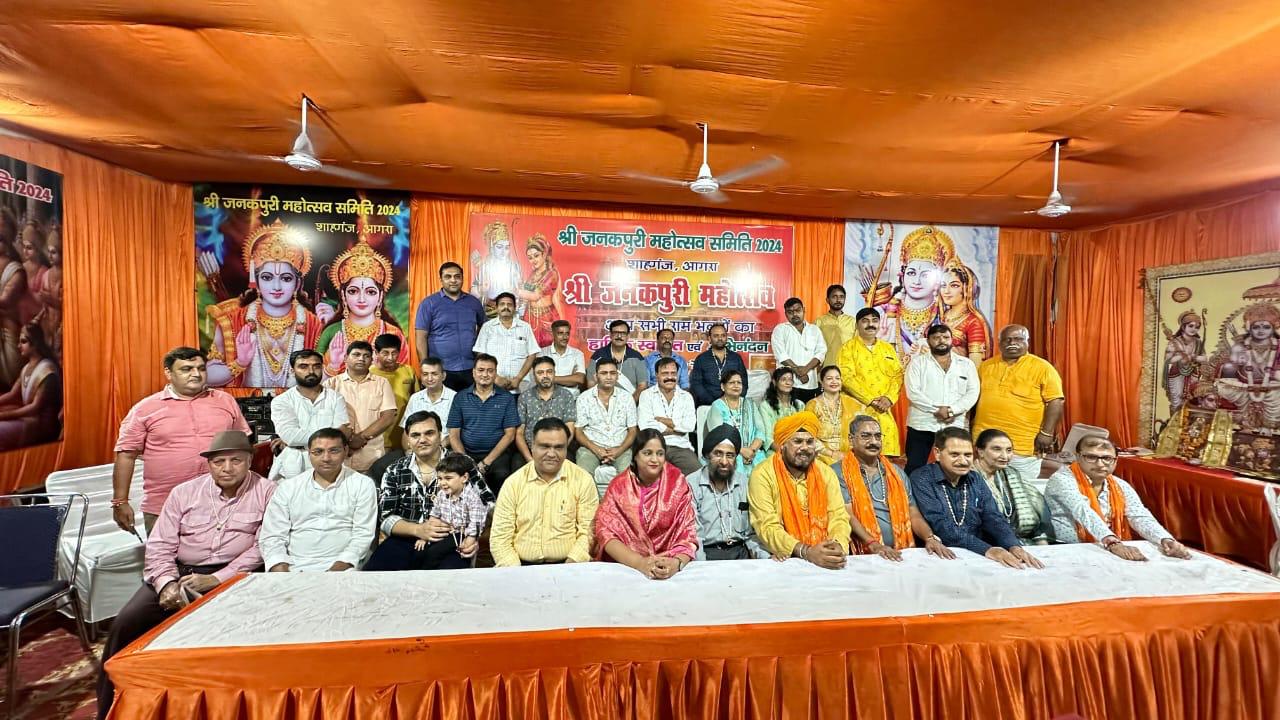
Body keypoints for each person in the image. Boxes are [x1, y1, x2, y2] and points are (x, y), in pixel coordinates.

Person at [96, 431, 273, 720]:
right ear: (209, 464)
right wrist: (166, 584)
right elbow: (160, 545)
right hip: (179, 573)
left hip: (236, 575)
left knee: (239, 635)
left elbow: (263, 546)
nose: (227, 468)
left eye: (236, 461)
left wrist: (218, 579)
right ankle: (109, 709)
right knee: (126, 623)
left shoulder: (268, 491)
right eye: (218, 462)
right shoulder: (184, 492)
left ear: (250, 461)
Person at [112, 347, 250, 535]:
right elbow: (126, 456)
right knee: (164, 554)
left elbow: (241, 446)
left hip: (223, 503)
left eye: (201, 369)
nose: (196, 374)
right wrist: (120, 501)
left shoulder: (225, 401)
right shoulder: (144, 409)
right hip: (164, 506)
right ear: (168, 373)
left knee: (228, 553)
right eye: (187, 369)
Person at [204, 219, 324, 388]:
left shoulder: (313, 324)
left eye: (286, 278)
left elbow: (325, 377)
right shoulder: (232, 321)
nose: (276, 287)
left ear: (297, 284)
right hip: (246, 403)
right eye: (267, 278)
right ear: (257, 281)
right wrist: (240, 362)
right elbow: (207, 376)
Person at [367, 411, 492, 571]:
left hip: (452, 540)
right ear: (408, 439)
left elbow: (486, 505)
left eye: (429, 433)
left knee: (450, 581)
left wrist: (471, 537)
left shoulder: (463, 464)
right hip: (404, 538)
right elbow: (385, 518)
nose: (422, 440)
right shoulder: (395, 470)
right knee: (375, 574)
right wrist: (418, 530)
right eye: (415, 435)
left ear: (440, 435)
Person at [911, 427, 1045, 569]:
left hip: (977, 556)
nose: (963, 461)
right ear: (937, 453)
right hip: (940, 557)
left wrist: (1013, 546)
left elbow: (993, 517)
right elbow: (942, 526)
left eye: (968, 455)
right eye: (955, 455)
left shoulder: (975, 479)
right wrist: (988, 550)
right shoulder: (923, 478)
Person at [1044, 435, 1192, 561]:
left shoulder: (1120, 485)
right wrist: (1112, 543)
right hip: (1067, 549)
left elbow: (1139, 516)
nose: (1100, 464)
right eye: (1091, 457)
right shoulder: (1062, 479)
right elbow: (1083, 511)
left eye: (1107, 458)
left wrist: (1165, 539)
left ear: (1115, 461)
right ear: (1078, 457)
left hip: (1104, 547)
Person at [259, 428, 378, 572]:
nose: (326, 458)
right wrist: (282, 571)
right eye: (318, 452)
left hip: (344, 568)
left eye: (334, 451)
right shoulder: (289, 487)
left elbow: (363, 535)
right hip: (293, 566)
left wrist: (334, 572)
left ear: (346, 451)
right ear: (309, 453)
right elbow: (272, 536)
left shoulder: (362, 484)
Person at [838, 416, 955, 560]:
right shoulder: (839, 472)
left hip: (903, 552)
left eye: (877, 436)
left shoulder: (896, 472)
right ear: (851, 439)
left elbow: (913, 512)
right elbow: (848, 515)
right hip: (864, 555)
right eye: (866, 436)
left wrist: (929, 538)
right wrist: (873, 544)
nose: (873, 441)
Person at [490, 417, 600, 567]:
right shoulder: (513, 483)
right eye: (544, 446)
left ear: (566, 448)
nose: (551, 454)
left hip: (570, 565)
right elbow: (500, 538)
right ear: (532, 446)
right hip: (520, 567)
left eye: (559, 447)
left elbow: (589, 533)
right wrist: (516, 572)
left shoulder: (583, 480)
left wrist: (570, 567)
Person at [748, 411, 851, 568]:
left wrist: (837, 545)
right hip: (782, 557)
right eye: (797, 441)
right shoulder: (763, 474)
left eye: (810, 442)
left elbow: (838, 516)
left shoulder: (825, 472)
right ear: (782, 445)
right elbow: (767, 526)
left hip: (824, 552)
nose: (805, 448)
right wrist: (806, 551)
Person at [593, 429, 699, 579]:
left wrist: (676, 564)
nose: (655, 459)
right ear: (635, 455)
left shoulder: (677, 482)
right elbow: (605, 532)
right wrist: (639, 563)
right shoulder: (619, 486)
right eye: (647, 453)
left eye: (660, 454)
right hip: (628, 567)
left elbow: (688, 533)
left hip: (670, 564)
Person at [972, 324, 1065, 487]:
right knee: (984, 488)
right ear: (999, 343)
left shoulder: (1042, 368)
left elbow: (1056, 401)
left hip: (1022, 445)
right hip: (985, 443)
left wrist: (1047, 433)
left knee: (1021, 491)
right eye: (1007, 340)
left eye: (1018, 339)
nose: (1012, 343)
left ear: (1027, 342)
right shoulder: (986, 366)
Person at [316, 240, 407, 377]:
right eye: (353, 291)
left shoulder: (393, 333)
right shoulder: (332, 331)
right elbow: (314, 377)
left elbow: (404, 377)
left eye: (370, 292)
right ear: (343, 295)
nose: (362, 299)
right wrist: (333, 365)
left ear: (380, 296)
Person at [903, 323, 980, 474]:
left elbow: (973, 392)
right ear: (928, 341)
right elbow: (913, 392)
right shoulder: (917, 363)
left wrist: (952, 410)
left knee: (953, 466)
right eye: (936, 337)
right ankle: (911, 491)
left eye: (945, 337)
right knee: (915, 466)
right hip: (922, 423)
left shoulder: (966, 364)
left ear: (952, 340)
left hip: (954, 423)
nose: (941, 340)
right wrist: (937, 409)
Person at [686, 425, 769, 560]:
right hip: (707, 555)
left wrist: (766, 559)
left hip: (741, 553)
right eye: (718, 454)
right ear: (707, 455)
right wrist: (701, 566)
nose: (724, 462)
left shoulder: (744, 483)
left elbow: (752, 535)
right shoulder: (691, 484)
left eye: (730, 456)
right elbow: (694, 537)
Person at [268, 350, 351, 481]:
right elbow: (290, 436)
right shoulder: (281, 401)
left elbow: (341, 435)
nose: (311, 371)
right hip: (293, 469)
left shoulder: (336, 398)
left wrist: (295, 441)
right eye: (303, 366)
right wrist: (332, 434)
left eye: (316, 366)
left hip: (329, 465)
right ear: (292, 371)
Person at [446, 353, 521, 494]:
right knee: (456, 476)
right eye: (481, 370)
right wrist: (466, 461)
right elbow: (454, 434)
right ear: (473, 373)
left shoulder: (507, 398)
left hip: (497, 454)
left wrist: (486, 462)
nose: (485, 374)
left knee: (501, 475)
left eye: (490, 371)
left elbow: (510, 435)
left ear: (495, 374)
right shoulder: (460, 397)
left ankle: (497, 508)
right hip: (466, 452)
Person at [838, 308, 904, 456]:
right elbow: (846, 378)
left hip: (884, 410)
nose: (871, 324)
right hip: (857, 410)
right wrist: (871, 400)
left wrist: (888, 398)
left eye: (874, 321)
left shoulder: (887, 348)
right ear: (857, 325)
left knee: (886, 456)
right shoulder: (847, 348)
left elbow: (898, 376)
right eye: (865, 321)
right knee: (858, 455)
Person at [324, 340, 397, 473]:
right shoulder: (331, 384)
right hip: (338, 457)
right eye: (356, 354)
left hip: (372, 458)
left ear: (371, 360)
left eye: (366, 356)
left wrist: (362, 437)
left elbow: (388, 416)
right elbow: (323, 417)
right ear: (345, 358)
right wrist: (346, 440)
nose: (361, 359)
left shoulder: (381, 383)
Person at [971, 429, 1052, 544]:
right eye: (997, 449)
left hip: (1020, 540)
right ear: (980, 451)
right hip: (985, 543)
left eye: (1009, 450)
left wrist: (1041, 542)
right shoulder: (969, 479)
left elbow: (1039, 510)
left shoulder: (1011, 474)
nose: (1005, 456)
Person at [415, 262, 487, 391]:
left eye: (457, 276)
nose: (453, 280)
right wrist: (426, 368)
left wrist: (479, 352)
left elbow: (485, 328)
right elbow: (421, 337)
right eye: (448, 277)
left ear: (462, 278)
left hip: (471, 368)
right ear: (441, 279)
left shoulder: (473, 302)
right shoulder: (429, 303)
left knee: (469, 403)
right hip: (440, 370)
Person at [575, 357, 638, 496]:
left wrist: (619, 450)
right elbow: (578, 432)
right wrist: (596, 449)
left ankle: (620, 508)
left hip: (621, 447)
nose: (609, 377)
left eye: (612, 373)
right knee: (583, 477)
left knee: (628, 479)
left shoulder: (627, 398)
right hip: (591, 448)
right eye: (604, 373)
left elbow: (633, 430)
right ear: (595, 376)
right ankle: (594, 507)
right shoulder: (584, 398)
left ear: (617, 376)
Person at [0, 322, 61, 449]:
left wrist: (4, 416)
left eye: (23, 342)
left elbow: (35, 408)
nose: (18, 346)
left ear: (35, 344)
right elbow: (12, 394)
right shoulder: (26, 368)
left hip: (40, 425)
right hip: (29, 418)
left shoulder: (46, 369)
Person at [637, 357, 700, 475]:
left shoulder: (686, 397)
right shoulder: (646, 395)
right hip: (653, 445)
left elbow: (689, 426)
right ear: (656, 375)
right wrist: (677, 429)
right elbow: (645, 426)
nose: (670, 377)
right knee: (646, 474)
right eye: (665, 373)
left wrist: (664, 421)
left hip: (680, 447)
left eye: (673, 373)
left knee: (697, 474)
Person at [516, 356, 577, 465]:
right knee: (517, 466)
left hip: (559, 449)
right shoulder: (525, 397)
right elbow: (519, 433)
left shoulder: (566, 396)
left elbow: (570, 429)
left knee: (569, 465)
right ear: (534, 376)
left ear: (554, 373)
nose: (545, 376)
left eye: (549, 372)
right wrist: (530, 459)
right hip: (531, 450)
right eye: (540, 373)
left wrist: (557, 451)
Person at [473, 292, 539, 392]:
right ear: (496, 307)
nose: (506, 307)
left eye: (509, 304)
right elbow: (481, 354)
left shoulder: (525, 327)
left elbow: (532, 355)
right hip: (493, 385)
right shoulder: (487, 327)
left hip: (520, 385)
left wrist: (518, 378)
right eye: (502, 304)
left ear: (515, 308)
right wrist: (496, 378)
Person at [706, 369, 766, 476]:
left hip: (754, 454)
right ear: (723, 386)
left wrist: (751, 451)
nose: (736, 385)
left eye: (739, 383)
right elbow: (717, 437)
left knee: (764, 476)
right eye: (731, 383)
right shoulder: (717, 406)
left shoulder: (750, 404)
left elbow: (761, 431)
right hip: (727, 454)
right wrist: (742, 451)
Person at [771, 297, 826, 403]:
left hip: (810, 383)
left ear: (804, 310)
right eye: (790, 312)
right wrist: (798, 372)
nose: (795, 314)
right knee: (787, 413)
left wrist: (805, 369)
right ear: (785, 314)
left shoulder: (814, 330)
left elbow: (821, 353)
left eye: (797, 310)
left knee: (808, 412)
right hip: (787, 384)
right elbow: (781, 355)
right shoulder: (780, 329)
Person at [514, 233, 565, 347]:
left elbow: (536, 295)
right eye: (530, 257)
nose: (533, 260)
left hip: (546, 318)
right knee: (529, 349)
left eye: (536, 256)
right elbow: (526, 291)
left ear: (544, 254)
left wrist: (515, 290)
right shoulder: (533, 274)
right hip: (530, 317)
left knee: (546, 351)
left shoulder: (551, 274)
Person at [369, 333, 418, 450]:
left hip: (405, 436)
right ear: (376, 352)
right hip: (379, 439)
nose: (390, 358)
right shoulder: (369, 374)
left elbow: (417, 399)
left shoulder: (408, 371)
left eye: (394, 353)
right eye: (385, 353)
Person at [806, 366, 858, 468]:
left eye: (837, 378)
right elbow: (808, 434)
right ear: (822, 382)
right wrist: (831, 454)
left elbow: (861, 430)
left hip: (849, 455)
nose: (834, 381)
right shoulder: (812, 405)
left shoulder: (852, 404)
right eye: (829, 378)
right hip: (821, 456)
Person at [470, 219, 524, 314]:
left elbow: (521, 289)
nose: (504, 252)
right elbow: (473, 291)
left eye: (507, 247)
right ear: (491, 247)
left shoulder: (514, 266)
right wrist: (481, 289)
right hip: (490, 310)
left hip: (510, 310)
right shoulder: (485, 266)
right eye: (499, 247)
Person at [939, 262, 992, 359]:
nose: (946, 291)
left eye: (954, 286)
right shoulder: (940, 316)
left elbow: (975, 364)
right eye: (943, 285)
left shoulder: (973, 322)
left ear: (967, 288)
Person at [586, 319, 649, 399]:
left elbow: (642, 386)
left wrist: (630, 403)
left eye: (623, 333)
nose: (619, 336)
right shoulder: (598, 356)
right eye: (616, 333)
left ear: (628, 336)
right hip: (602, 401)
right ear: (610, 335)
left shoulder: (637, 357)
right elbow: (591, 384)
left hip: (630, 402)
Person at [690, 323, 747, 407]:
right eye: (716, 336)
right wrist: (714, 403)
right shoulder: (701, 359)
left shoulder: (736, 358)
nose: (720, 338)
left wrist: (733, 400)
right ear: (710, 338)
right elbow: (697, 385)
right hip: (708, 405)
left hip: (732, 405)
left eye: (723, 335)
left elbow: (744, 383)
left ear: (726, 337)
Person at [1162, 310, 1206, 411]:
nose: (1194, 329)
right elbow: (1168, 360)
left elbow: (1204, 358)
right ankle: (1175, 420)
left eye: (1197, 327)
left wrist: (1192, 356)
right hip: (1177, 373)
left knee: (1191, 399)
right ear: (1183, 326)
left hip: (1193, 373)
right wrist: (1181, 356)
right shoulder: (1174, 342)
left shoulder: (1198, 342)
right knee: (1177, 400)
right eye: (1191, 326)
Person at [402, 357, 456, 433]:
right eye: (425, 374)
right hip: (418, 440)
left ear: (443, 376)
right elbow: (406, 430)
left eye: (434, 374)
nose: (429, 379)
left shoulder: (455, 399)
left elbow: (457, 433)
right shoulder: (415, 398)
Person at [758, 367, 804, 454]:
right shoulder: (766, 406)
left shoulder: (799, 405)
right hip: (776, 450)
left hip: (799, 449)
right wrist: (785, 452)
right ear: (774, 382)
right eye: (783, 379)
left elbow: (804, 432)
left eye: (790, 380)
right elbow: (768, 437)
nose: (788, 383)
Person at [535, 319, 586, 395]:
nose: (565, 337)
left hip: (571, 396)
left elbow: (579, 379)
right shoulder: (542, 353)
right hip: (547, 397)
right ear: (552, 334)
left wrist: (550, 378)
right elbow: (538, 379)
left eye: (567, 333)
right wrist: (570, 379)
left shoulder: (577, 354)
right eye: (560, 333)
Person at [815, 284, 855, 368]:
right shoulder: (819, 322)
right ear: (827, 300)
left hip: (848, 368)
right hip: (826, 368)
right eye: (834, 297)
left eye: (841, 297)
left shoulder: (853, 322)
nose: (838, 300)